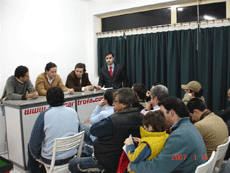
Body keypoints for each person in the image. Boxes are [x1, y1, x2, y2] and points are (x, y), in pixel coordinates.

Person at [68, 88, 144, 173]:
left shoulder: (115, 119)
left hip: (106, 163)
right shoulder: (142, 117)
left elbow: (93, 130)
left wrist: (115, 115)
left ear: (124, 104)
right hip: (124, 161)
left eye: (115, 101)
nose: (113, 104)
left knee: (72, 163)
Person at [128, 97, 207, 173]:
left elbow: (158, 168)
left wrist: (133, 167)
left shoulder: (180, 135)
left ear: (171, 112)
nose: (160, 117)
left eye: (162, 113)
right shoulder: (188, 127)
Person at [27, 86, 80, 173]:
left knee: (30, 146)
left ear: (47, 100)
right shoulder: (73, 112)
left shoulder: (44, 115)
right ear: (63, 97)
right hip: (72, 155)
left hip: (52, 159)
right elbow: (77, 131)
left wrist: (37, 157)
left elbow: (34, 144)